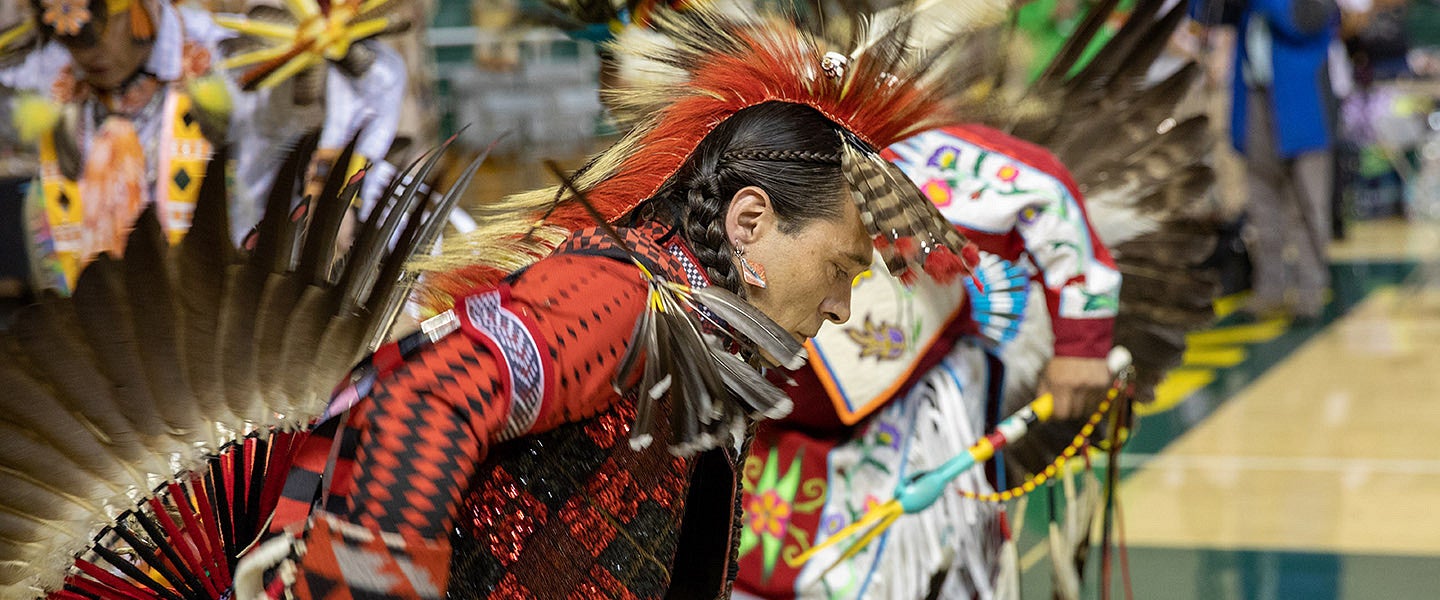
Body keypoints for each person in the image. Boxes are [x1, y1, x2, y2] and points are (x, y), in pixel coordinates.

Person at [233, 5, 992, 598]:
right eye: (840, 268)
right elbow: (420, 397)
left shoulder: (703, 341)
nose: (843, 309)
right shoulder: (623, 294)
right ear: (750, 222)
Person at [733, 123, 1121, 600]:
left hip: (906, 420)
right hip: (768, 432)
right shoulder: (712, 176)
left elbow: (1040, 191)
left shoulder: (875, 162)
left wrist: (1081, 344)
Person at [0, 0, 404, 294]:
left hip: (222, 304)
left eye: (108, 31)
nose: (95, 54)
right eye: (73, 42)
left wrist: (332, 189)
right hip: (99, 318)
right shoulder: (41, 71)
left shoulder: (225, 54)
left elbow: (372, 85)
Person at [1191, 0, 1341, 319]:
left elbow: (1303, 24)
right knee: (1261, 204)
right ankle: (1269, 287)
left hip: (1305, 108)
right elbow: (1201, 12)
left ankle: (1310, 290)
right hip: (1256, 99)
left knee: (1308, 206)